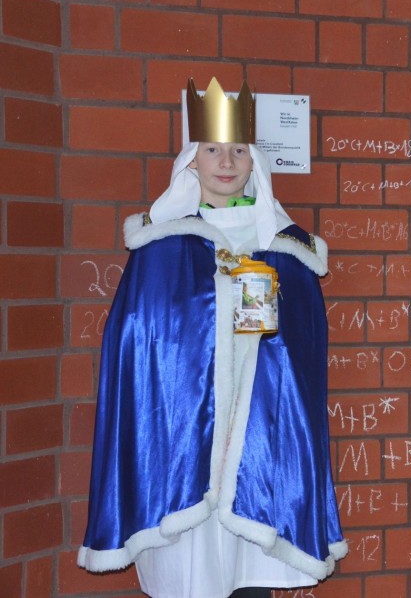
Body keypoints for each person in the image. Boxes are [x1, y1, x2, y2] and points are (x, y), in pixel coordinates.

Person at [77, 77, 346, 598]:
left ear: (254, 162)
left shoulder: (286, 249)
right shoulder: (162, 246)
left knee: (248, 581)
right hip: (183, 448)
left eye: (239, 150)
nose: (227, 161)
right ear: (191, 161)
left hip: (259, 447)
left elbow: (303, 361)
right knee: (190, 579)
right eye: (213, 150)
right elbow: (138, 345)